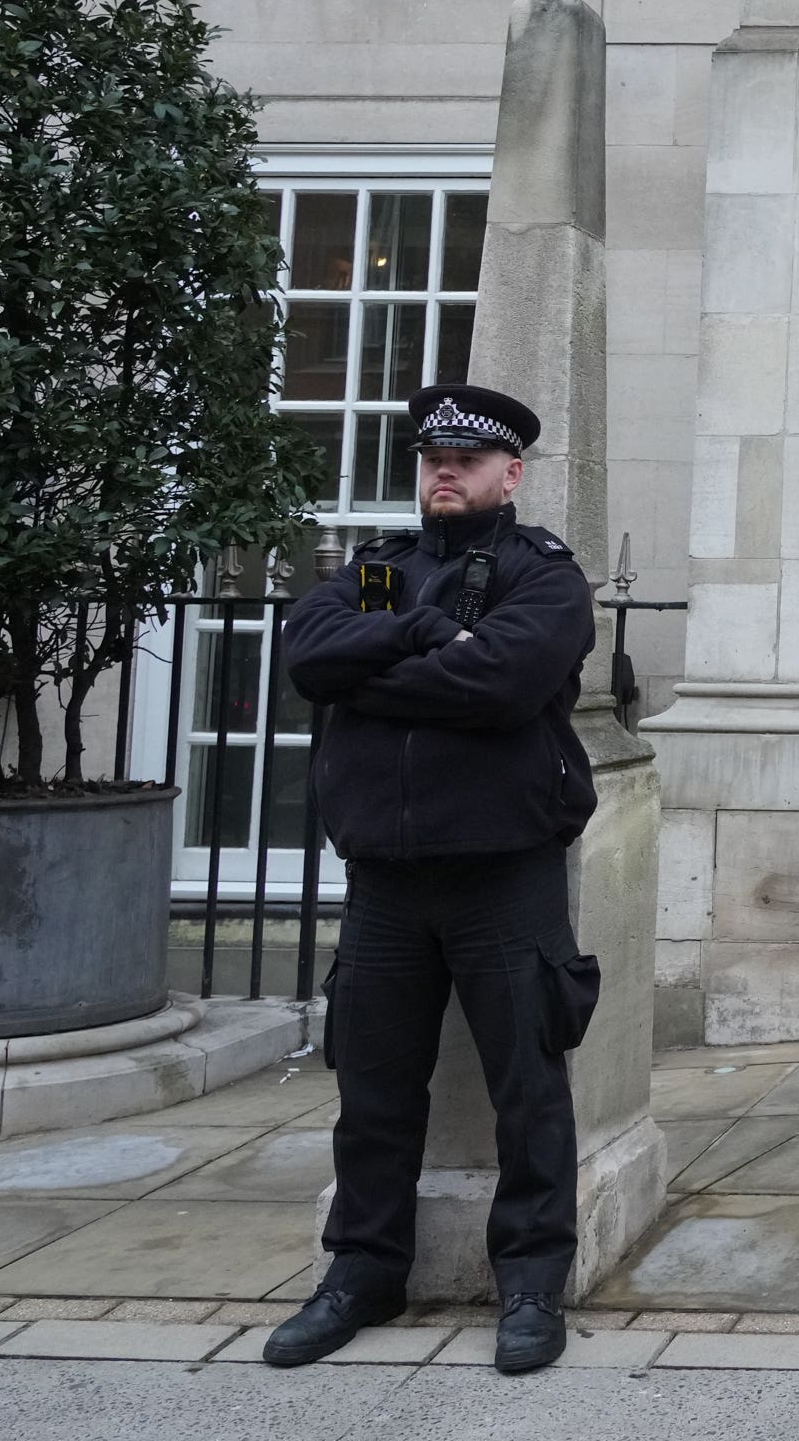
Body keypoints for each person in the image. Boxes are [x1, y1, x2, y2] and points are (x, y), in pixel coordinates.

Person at [265, 384, 601, 1376]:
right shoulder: (381, 573)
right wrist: (417, 635)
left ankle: (533, 1280)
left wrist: (373, 684)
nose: (443, 472)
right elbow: (312, 653)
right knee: (371, 1089)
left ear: (511, 473)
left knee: (527, 1088)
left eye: (463, 458)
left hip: (502, 873)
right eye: (431, 458)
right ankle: (361, 1270)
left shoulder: (544, 578)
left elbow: (502, 682)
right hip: (386, 881)